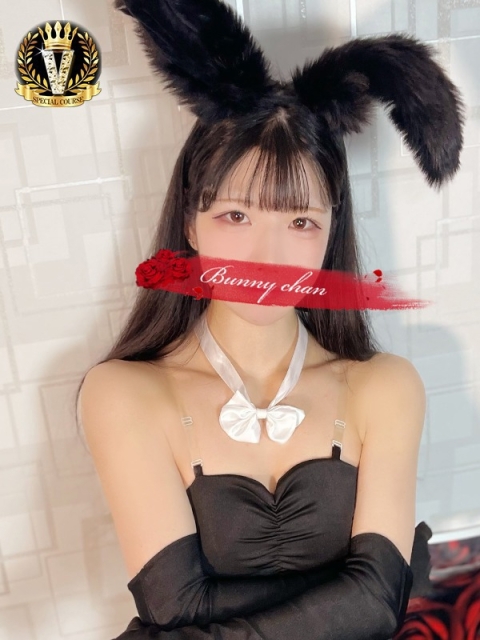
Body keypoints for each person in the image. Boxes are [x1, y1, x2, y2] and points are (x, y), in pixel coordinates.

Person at [76, 0, 464, 638]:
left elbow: (377, 604)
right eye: (236, 216)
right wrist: (357, 591)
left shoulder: (384, 385)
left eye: (301, 222)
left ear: (331, 233)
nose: (267, 257)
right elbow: (177, 609)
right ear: (190, 223)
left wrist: (371, 594)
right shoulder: (125, 392)